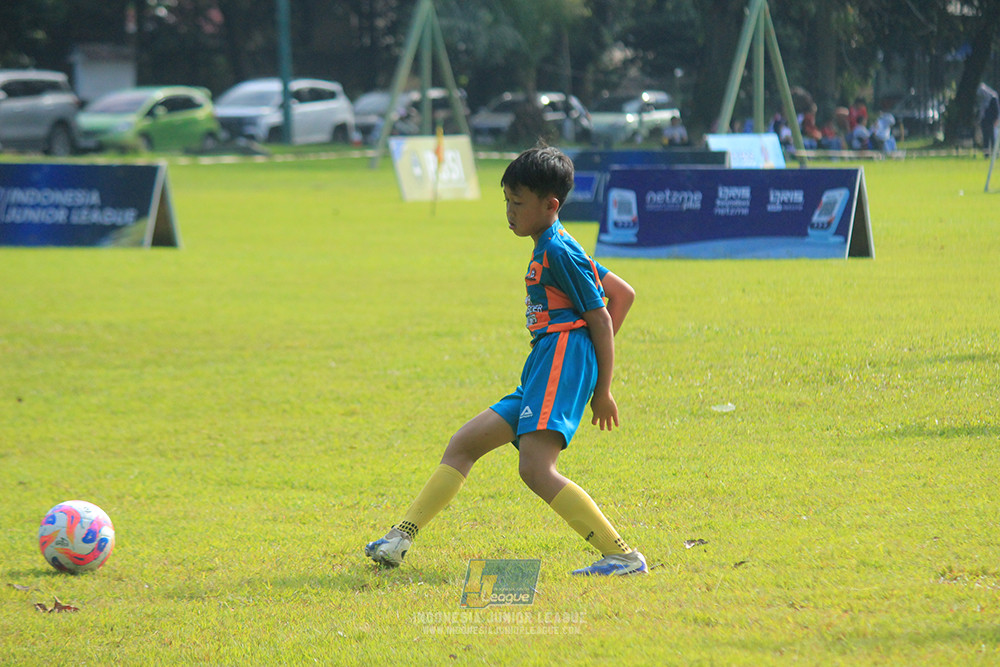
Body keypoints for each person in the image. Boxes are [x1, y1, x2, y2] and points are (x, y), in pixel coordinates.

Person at [364, 145, 647, 576]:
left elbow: (603, 315)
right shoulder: (556, 245)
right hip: (546, 365)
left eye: (518, 203)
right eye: (507, 202)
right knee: (465, 443)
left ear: (550, 205)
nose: (510, 212)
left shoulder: (558, 251)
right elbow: (623, 293)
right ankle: (399, 539)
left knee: (535, 468)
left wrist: (597, 384)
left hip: (558, 362)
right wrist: (585, 361)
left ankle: (623, 556)